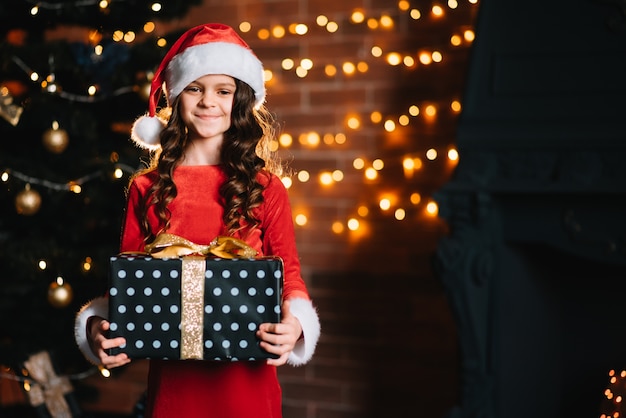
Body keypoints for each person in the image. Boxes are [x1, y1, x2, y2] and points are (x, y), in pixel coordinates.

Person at [74, 23, 321, 418]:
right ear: (176, 96)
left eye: (222, 91)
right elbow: (128, 280)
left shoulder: (266, 188)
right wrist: (97, 328)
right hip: (175, 392)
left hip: (247, 389)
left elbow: (288, 274)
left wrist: (295, 327)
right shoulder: (147, 188)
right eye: (195, 88)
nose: (209, 102)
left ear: (239, 100)